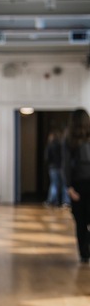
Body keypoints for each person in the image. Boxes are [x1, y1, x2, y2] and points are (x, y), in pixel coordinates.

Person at [62, 108, 90, 263]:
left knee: (80, 222)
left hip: (78, 185)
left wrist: (69, 186)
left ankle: (84, 254)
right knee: (83, 220)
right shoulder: (69, 140)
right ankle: (86, 250)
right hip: (82, 184)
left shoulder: (68, 139)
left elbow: (65, 165)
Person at [43, 129, 70, 207]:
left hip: (53, 167)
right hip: (62, 167)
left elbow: (47, 157)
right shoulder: (62, 145)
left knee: (54, 184)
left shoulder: (50, 145)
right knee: (64, 185)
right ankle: (66, 202)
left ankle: (53, 201)